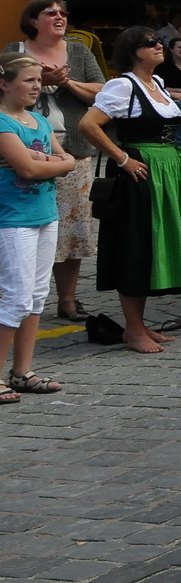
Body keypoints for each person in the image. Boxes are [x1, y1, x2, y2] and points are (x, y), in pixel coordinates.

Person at [78, 27, 181, 353]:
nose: (159, 46)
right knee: (135, 245)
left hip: (165, 170)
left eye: (159, 42)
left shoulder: (158, 84)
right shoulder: (122, 86)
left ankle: (140, 324)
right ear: (134, 51)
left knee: (152, 245)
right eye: (151, 43)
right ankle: (133, 329)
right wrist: (122, 158)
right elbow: (88, 124)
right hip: (140, 170)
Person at [6, 0, 104, 324]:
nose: (59, 17)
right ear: (33, 21)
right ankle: (19, 295)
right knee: (28, 226)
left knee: (73, 230)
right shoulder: (15, 50)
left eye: (63, 12)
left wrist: (66, 82)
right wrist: (41, 80)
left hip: (73, 148)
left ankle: (67, 299)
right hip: (26, 146)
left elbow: (100, 92)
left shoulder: (78, 50)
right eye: (51, 13)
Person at [0, 53, 77, 401]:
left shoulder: (38, 121)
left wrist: (44, 158)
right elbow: (26, 171)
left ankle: (22, 371)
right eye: (28, 80)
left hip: (45, 215)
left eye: (37, 80)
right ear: (5, 84)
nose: (36, 86)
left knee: (35, 297)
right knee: (15, 297)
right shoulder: (3, 123)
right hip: (13, 219)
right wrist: (48, 162)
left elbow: (70, 160)